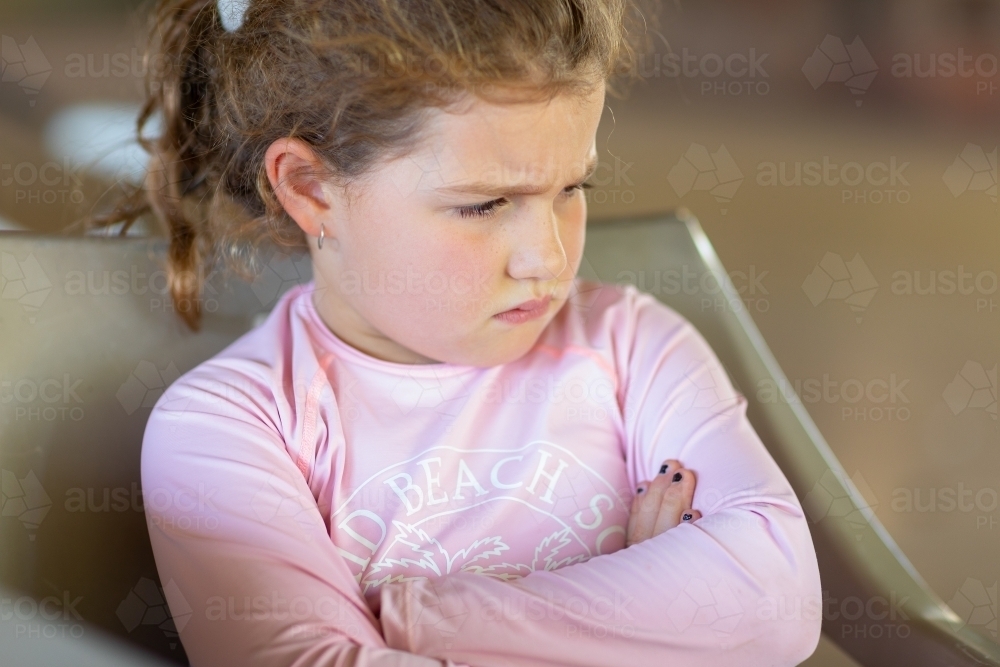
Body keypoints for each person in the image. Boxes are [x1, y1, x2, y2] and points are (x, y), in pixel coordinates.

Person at [96, 0, 823, 664]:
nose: (549, 257)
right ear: (311, 190)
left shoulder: (631, 340)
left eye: (573, 188)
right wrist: (660, 621)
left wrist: (411, 621)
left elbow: (780, 598)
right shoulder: (229, 426)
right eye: (484, 204)